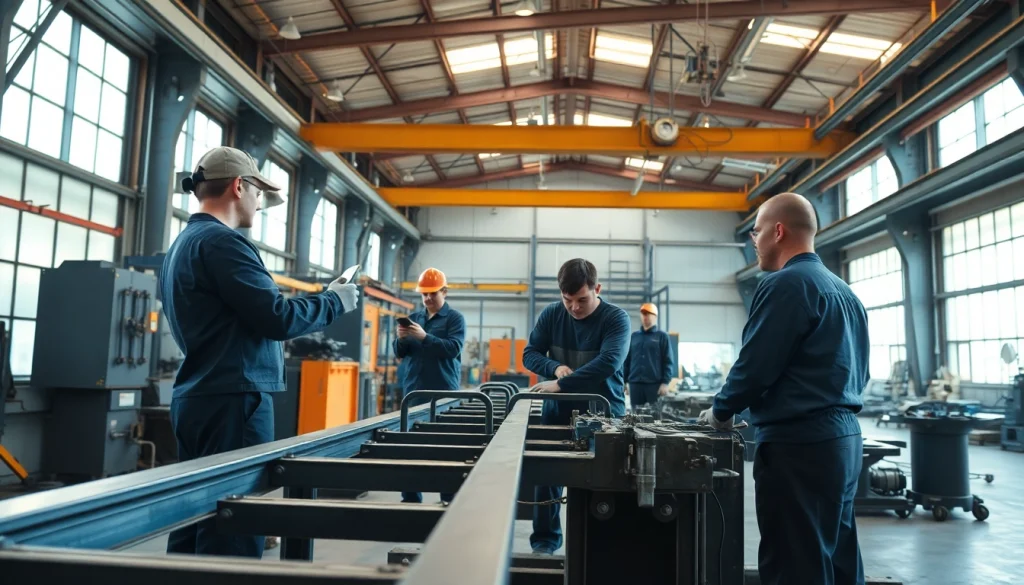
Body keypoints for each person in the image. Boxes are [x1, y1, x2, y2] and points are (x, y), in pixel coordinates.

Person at [160, 146, 360, 559]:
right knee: (235, 527)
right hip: (235, 401)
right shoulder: (223, 243)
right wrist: (334, 301)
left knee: (194, 523)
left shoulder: (183, 244)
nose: (258, 202)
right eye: (257, 191)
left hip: (199, 397)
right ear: (239, 186)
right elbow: (277, 318)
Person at [697, 192, 869, 585]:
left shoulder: (786, 285)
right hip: (844, 443)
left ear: (778, 232)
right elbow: (858, 371)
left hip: (799, 447)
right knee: (837, 559)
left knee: (796, 565)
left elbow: (755, 365)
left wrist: (721, 412)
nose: (753, 242)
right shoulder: (846, 293)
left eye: (756, 232)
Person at [522, 258, 630, 554]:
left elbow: (609, 362)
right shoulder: (552, 314)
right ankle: (544, 544)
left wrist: (563, 384)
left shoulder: (616, 319)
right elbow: (530, 354)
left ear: (598, 289)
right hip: (557, 414)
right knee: (547, 479)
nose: (574, 307)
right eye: (567, 299)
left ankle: (599, 552)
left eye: (582, 300)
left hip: (604, 417)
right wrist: (554, 367)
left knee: (602, 485)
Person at [394, 267, 466, 504]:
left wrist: (425, 337)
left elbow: (453, 349)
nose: (427, 298)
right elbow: (400, 353)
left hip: (443, 393)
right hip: (414, 393)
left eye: (432, 293)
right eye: (424, 294)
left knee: (446, 448)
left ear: (444, 292)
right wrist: (401, 339)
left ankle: (448, 499)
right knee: (410, 449)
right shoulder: (415, 318)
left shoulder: (455, 319)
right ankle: (410, 500)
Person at [623, 303, 675, 409]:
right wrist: (624, 381)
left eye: (648, 314)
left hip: (654, 385)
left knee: (654, 415)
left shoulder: (662, 337)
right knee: (635, 415)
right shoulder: (634, 336)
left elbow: (668, 361)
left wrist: (665, 383)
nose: (645, 316)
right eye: (643, 314)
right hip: (635, 384)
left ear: (655, 316)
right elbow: (627, 361)